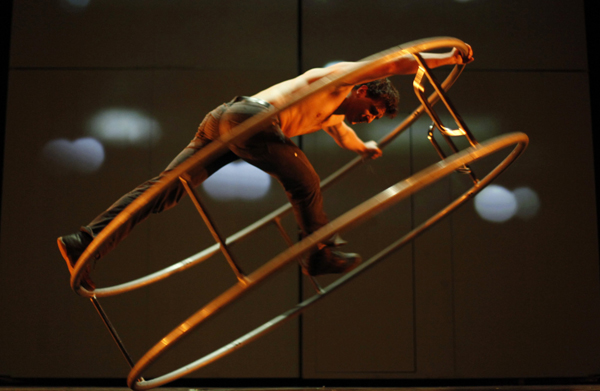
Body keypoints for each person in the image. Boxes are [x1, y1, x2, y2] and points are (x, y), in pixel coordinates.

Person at [58, 45, 474, 289]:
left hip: (223, 121)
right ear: (363, 90)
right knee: (306, 180)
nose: (366, 118)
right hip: (249, 119)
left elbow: (342, 133)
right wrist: (444, 57)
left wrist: (363, 146)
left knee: (165, 190)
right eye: (372, 110)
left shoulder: (334, 114)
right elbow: (396, 62)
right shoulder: (340, 79)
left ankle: (86, 242)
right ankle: (318, 254)